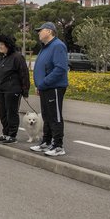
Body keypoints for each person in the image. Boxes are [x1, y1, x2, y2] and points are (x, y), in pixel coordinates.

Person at [30, 22, 69, 157]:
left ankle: (58, 146)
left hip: (54, 87)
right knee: (46, 116)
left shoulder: (58, 46)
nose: (38, 33)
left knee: (55, 117)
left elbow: (60, 69)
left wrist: (44, 83)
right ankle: (46, 142)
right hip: (45, 88)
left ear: (49, 31)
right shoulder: (45, 47)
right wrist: (39, 85)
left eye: (40, 31)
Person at [0, 35, 29, 144]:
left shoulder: (17, 57)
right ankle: (5, 133)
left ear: (8, 45)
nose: (0, 46)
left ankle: (12, 135)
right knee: (3, 113)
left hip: (13, 90)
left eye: (2, 44)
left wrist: (25, 90)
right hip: (1, 90)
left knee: (11, 113)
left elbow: (24, 74)